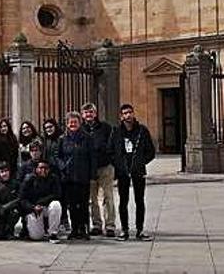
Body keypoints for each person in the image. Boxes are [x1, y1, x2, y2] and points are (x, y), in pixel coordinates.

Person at [111, 103, 156, 242]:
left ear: (133, 113)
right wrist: (118, 165)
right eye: (125, 113)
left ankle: (140, 229)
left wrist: (141, 163)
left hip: (137, 171)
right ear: (121, 116)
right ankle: (124, 230)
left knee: (139, 200)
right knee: (123, 201)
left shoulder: (142, 131)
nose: (128, 115)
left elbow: (151, 152)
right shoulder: (117, 132)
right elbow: (110, 151)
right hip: (123, 172)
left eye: (130, 112)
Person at [54, 111, 96, 240]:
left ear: (80, 123)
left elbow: (92, 157)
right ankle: (74, 229)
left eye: (75, 122)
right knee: (72, 205)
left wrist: (92, 174)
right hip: (69, 177)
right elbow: (57, 156)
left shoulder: (87, 137)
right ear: (67, 124)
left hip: (83, 176)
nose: (73, 124)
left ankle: (83, 229)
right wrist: (62, 166)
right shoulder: (62, 139)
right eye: (70, 122)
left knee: (83, 204)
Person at [81, 103, 116, 237]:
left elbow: (112, 145)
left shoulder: (105, 127)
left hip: (105, 166)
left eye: (91, 112)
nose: (88, 115)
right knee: (92, 198)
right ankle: (96, 224)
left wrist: (111, 160)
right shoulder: (81, 129)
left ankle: (110, 225)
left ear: (95, 114)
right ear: (83, 115)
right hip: (89, 168)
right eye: (86, 112)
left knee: (108, 196)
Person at [19, 159, 63, 244]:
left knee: (56, 205)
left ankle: (53, 233)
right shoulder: (29, 179)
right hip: (33, 209)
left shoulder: (53, 178)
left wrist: (42, 203)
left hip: (47, 207)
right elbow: (22, 199)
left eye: (46, 168)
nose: (43, 170)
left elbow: (57, 194)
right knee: (36, 237)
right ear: (36, 169)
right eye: (41, 168)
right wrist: (33, 207)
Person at [0, 162, 20, 240]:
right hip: (0, 212)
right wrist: (0, 207)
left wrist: (6, 207)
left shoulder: (15, 183)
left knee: (15, 212)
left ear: (9, 171)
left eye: (6, 171)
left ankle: (9, 231)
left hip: (11, 210)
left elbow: (19, 198)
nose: (4, 174)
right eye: (2, 172)